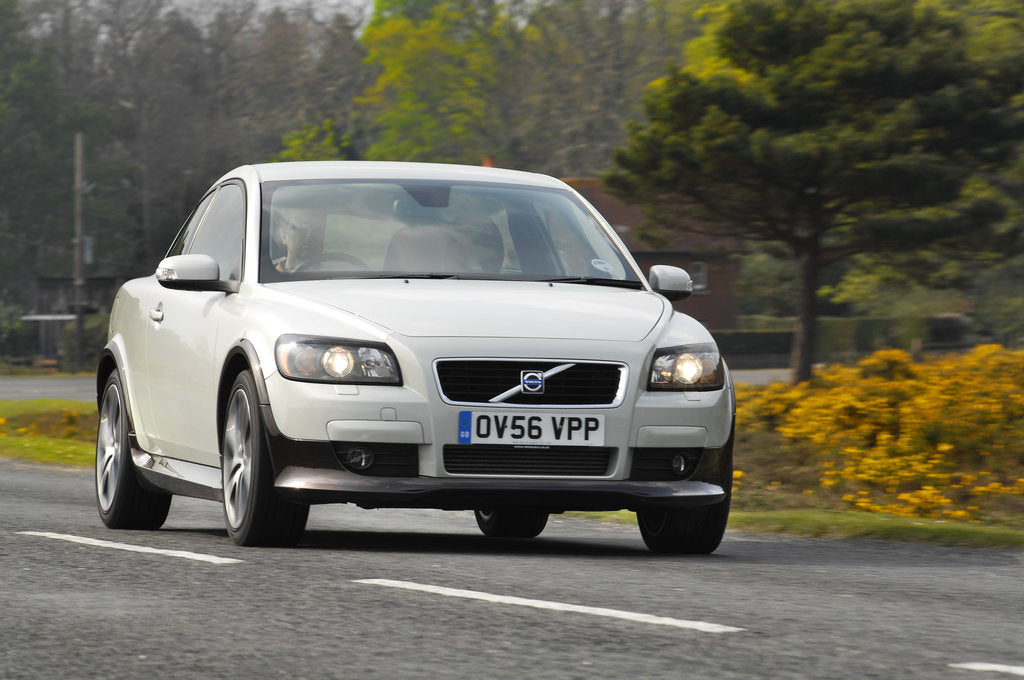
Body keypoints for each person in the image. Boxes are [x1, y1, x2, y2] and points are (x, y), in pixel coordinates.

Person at [273, 207, 326, 273]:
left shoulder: (336, 277)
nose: (310, 234)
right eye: (301, 227)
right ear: (283, 236)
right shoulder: (270, 278)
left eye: (317, 228)